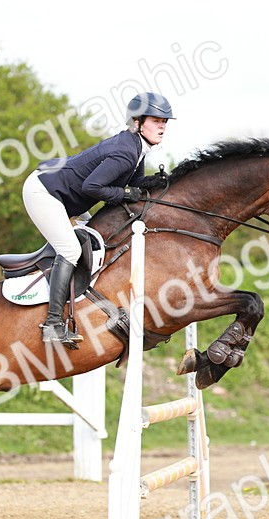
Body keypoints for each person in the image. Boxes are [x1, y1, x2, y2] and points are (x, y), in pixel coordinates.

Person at [22, 91, 175, 348]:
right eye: (156, 120)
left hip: (63, 195)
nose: (162, 126)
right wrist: (125, 193)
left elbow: (136, 183)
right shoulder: (126, 151)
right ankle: (52, 324)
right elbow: (92, 187)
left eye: (165, 121)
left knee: (97, 240)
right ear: (138, 122)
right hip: (44, 192)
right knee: (70, 250)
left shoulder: (137, 148)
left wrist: (158, 182)